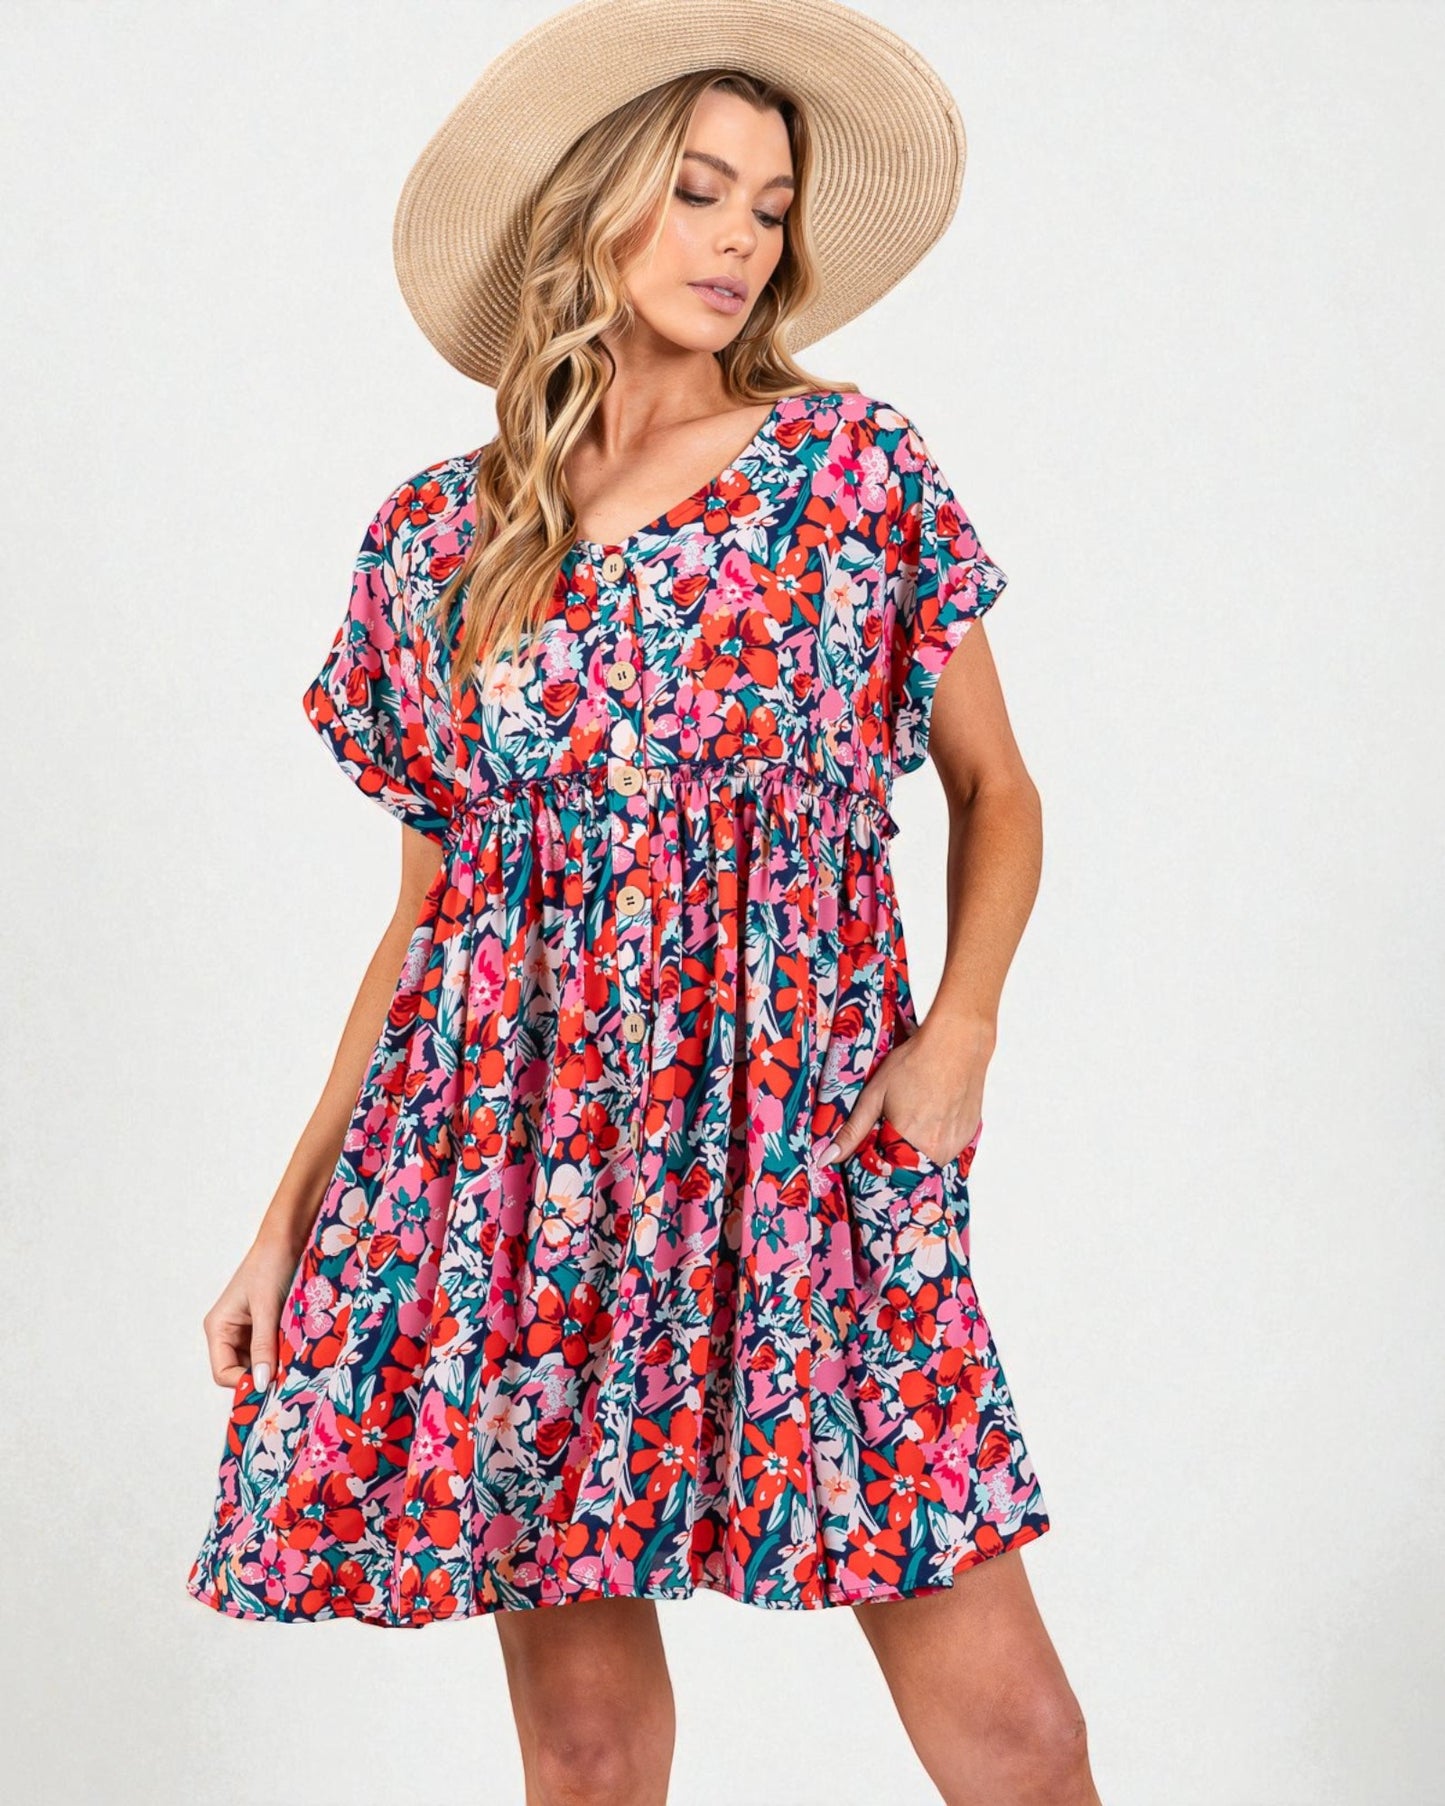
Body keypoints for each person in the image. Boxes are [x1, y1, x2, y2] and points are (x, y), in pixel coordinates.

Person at [186, 0, 1101, 1800]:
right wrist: (290, 1210)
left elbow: (998, 790)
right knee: (586, 1747)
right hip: (515, 1167)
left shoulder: (851, 473)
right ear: (591, 207)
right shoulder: (437, 540)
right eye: (697, 191)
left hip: (806, 1143)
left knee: (1015, 1727)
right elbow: (427, 920)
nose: (741, 239)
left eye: (767, 204)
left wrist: (957, 1038)